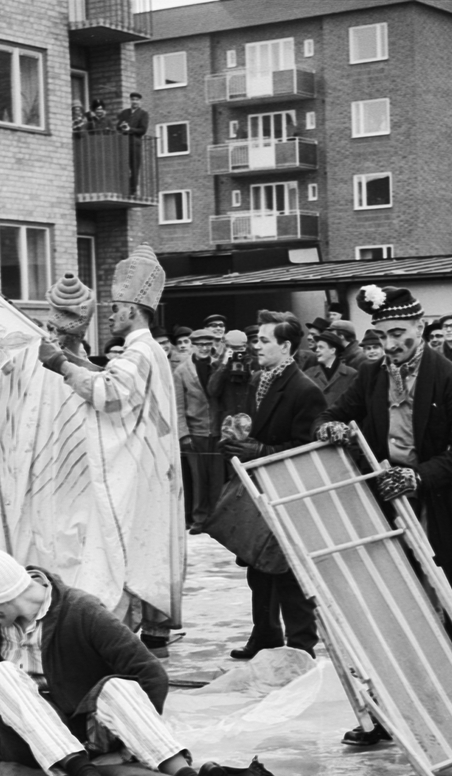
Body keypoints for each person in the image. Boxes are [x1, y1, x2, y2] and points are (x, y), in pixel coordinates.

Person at [0, 545, 232, 776]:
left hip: (89, 730)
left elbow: (151, 674)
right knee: (1, 674)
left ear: (5, 597)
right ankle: (82, 773)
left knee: (117, 687)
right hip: (33, 740)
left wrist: (128, 740)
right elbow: (1, 692)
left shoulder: (81, 610)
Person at [316, 284, 452, 689]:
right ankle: (394, 690)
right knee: (388, 593)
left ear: (421, 327)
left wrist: (419, 475)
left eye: (398, 334)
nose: (390, 344)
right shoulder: (373, 375)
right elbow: (332, 412)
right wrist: (330, 426)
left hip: (438, 501)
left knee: (442, 590)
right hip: (385, 502)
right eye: (382, 335)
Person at [36, 244, 185, 649]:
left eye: (117, 307)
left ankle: (103, 638)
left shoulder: (138, 350)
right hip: (150, 465)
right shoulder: (148, 351)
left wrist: (61, 365)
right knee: (140, 546)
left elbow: (112, 394)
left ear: (134, 310)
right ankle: (147, 626)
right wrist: (77, 361)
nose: (112, 314)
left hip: (135, 470)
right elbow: (112, 377)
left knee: (121, 551)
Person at [222, 311, 325, 660]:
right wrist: (238, 439)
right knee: (257, 567)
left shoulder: (304, 390)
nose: (257, 345)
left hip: (287, 492)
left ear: (285, 346)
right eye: (257, 339)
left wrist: (262, 451)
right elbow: (258, 428)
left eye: (264, 340)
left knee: (289, 573)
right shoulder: (259, 380)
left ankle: (301, 645)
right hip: (259, 489)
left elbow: (307, 448)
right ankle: (265, 634)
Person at [174, 328, 221, 533]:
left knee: (217, 477)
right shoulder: (181, 371)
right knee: (198, 478)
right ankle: (199, 519)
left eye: (208, 344)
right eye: (200, 344)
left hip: (218, 430)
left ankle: (218, 517)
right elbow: (178, 406)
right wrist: (183, 434)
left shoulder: (219, 366)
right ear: (193, 346)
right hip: (195, 432)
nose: (204, 348)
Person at [303, 328, 358, 406]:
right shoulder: (308, 374)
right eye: (317, 347)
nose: (317, 350)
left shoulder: (351, 375)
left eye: (321, 347)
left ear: (332, 350)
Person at [117, 92, 149, 194]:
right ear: (130, 101)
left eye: (137, 100)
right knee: (123, 165)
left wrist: (130, 129)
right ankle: (123, 187)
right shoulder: (124, 113)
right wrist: (122, 126)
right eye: (133, 99)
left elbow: (143, 130)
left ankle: (132, 190)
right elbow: (117, 126)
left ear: (140, 102)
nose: (134, 101)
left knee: (134, 166)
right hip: (124, 142)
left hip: (135, 143)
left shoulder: (143, 114)